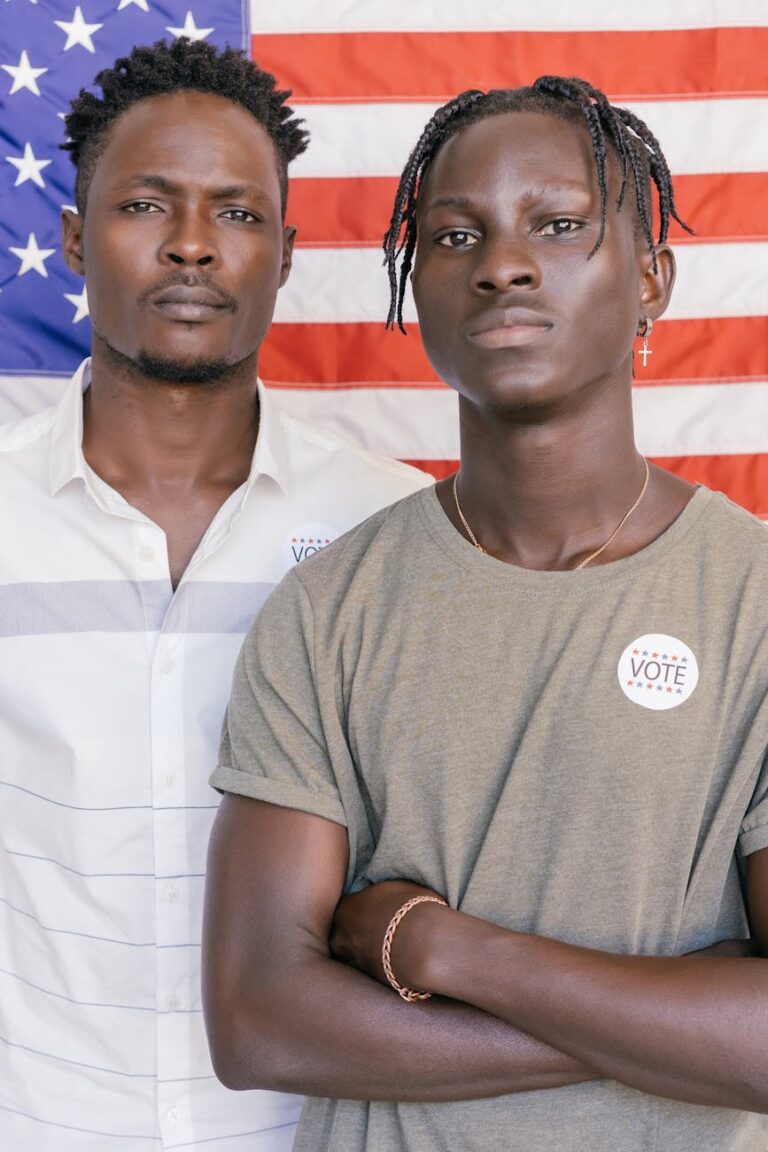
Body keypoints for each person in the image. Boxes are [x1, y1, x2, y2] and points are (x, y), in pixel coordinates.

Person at [203, 76, 768, 1151]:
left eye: (558, 226)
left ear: (651, 279)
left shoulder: (754, 599)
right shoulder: (330, 607)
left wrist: (445, 951)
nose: (504, 263)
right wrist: (669, 1018)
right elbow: (259, 1022)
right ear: (419, 292)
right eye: (457, 236)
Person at [0, 38, 430, 1152]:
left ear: (284, 257)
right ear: (69, 241)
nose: (193, 244)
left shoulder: (393, 528)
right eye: (147, 204)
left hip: (317, 1128)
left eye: (237, 214)